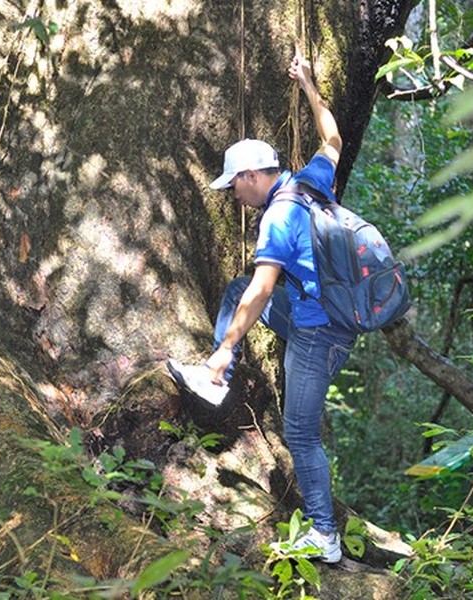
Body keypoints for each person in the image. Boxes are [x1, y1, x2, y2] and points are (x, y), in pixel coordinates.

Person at [166, 51, 356, 563]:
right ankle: (216, 381)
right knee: (232, 289)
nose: (233, 195)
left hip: (320, 334)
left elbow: (264, 288)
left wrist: (226, 349)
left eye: (233, 185)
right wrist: (310, 86)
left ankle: (325, 536)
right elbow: (333, 139)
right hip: (327, 317)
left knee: (298, 432)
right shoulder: (311, 178)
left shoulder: (277, 217)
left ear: (252, 175)